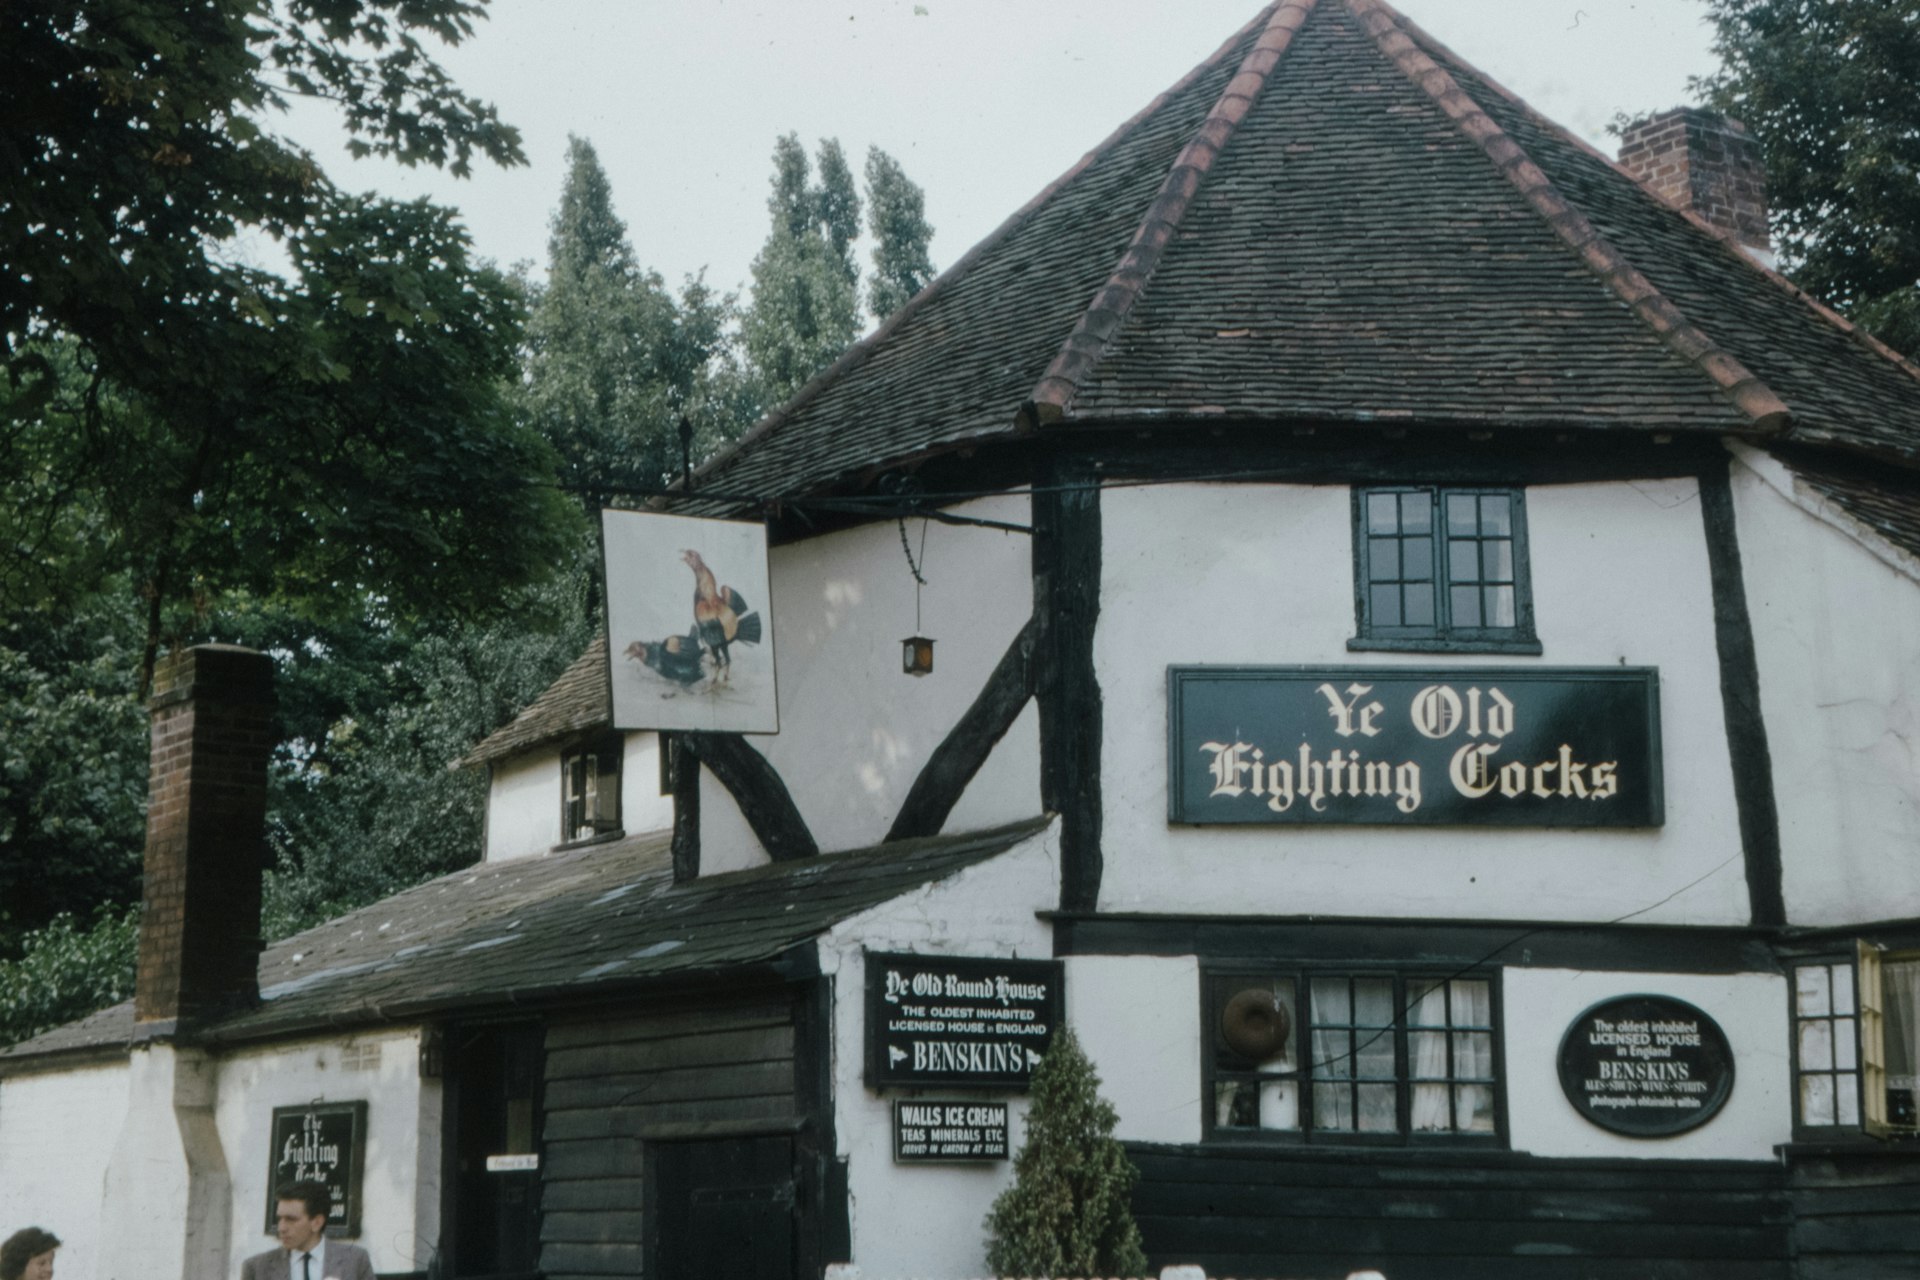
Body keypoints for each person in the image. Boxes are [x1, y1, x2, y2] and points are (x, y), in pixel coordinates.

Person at [239, 1182, 373, 1280]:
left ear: (317, 1222)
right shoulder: (256, 1268)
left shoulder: (355, 1260)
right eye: (279, 1218)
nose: (281, 1227)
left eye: (291, 1219)